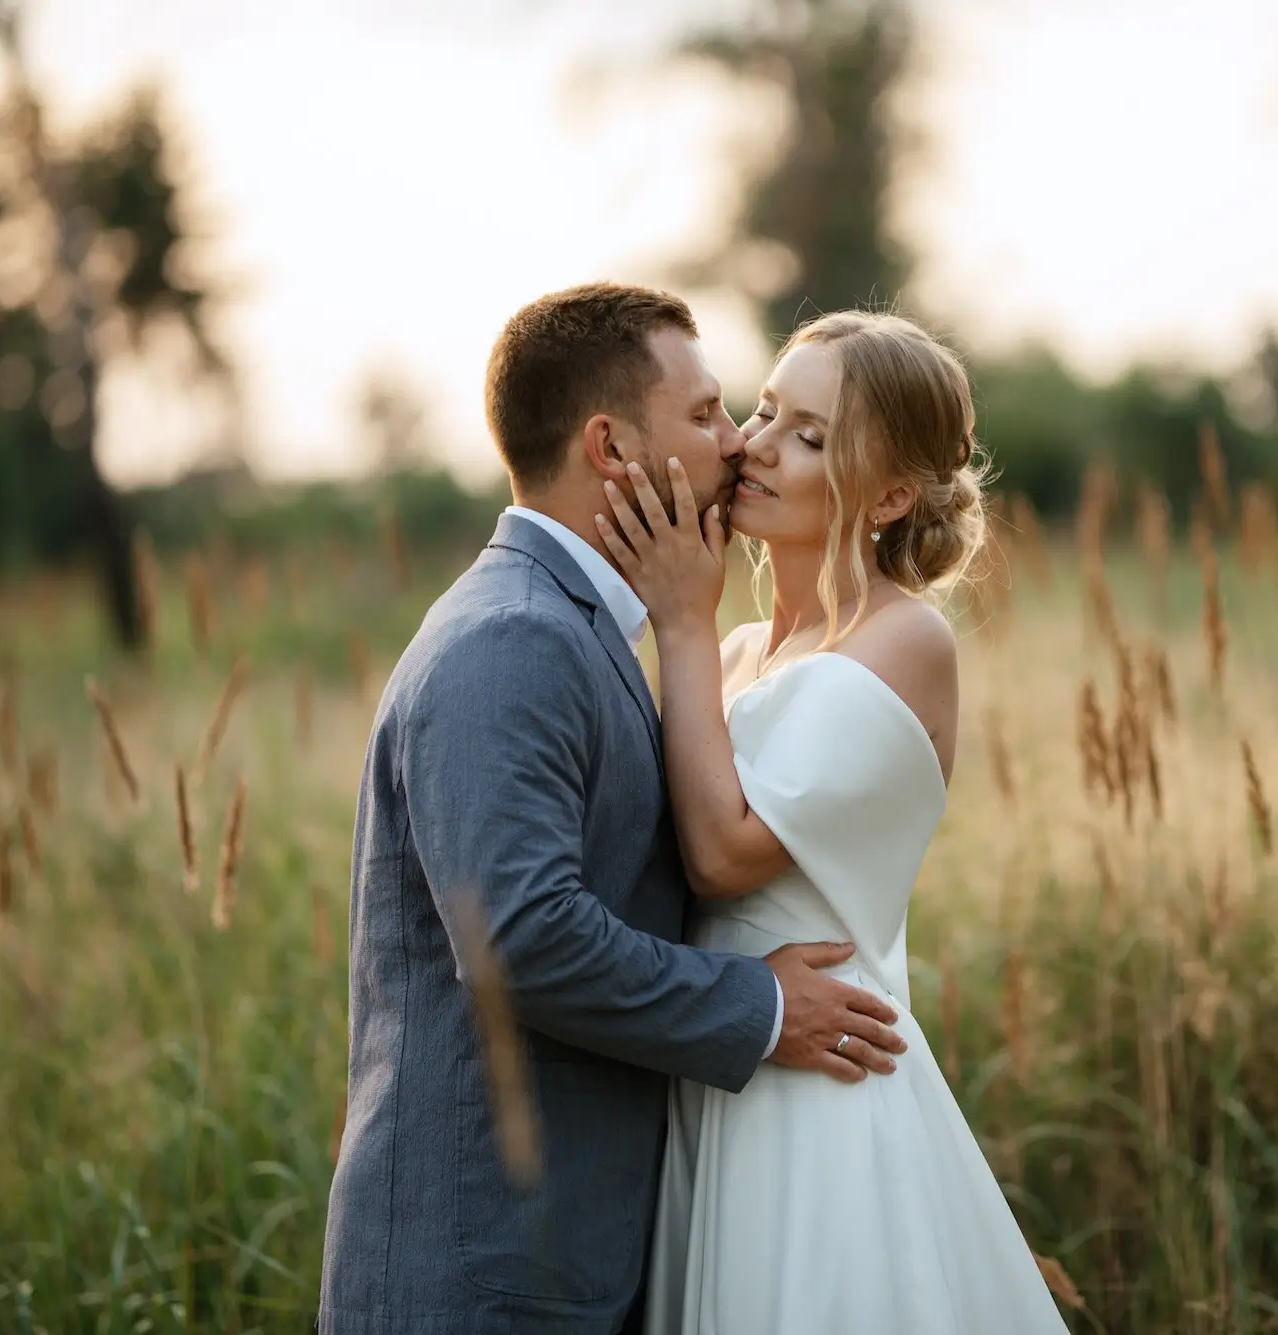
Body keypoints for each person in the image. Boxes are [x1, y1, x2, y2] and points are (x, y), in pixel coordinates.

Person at [317, 283, 911, 1335]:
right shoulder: (515, 638)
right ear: (609, 447)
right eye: (708, 413)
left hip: (564, 1258)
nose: (735, 444)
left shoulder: (576, 629)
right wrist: (764, 1007)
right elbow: (524, 939)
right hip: (484, 1276)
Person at [593, 311, 1069, 1334]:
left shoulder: (903, 640)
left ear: (891, 495)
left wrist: (680, 619)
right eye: (764, 411)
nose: (757, 446)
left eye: (808, 435)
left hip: (818, 1085)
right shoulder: (731, 652)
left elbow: (720, 856)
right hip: (718, 1061)